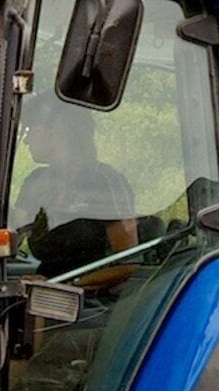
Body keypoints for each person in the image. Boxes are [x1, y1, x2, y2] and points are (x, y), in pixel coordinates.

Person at [13, 102, 139, 277]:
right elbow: (13, 233)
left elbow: (128, 264)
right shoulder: (35, 182)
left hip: (95, 298)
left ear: (57, 131)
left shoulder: (106, 182)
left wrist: (68, 286)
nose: (26, 140)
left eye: (31, 128)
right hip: (43, 291)